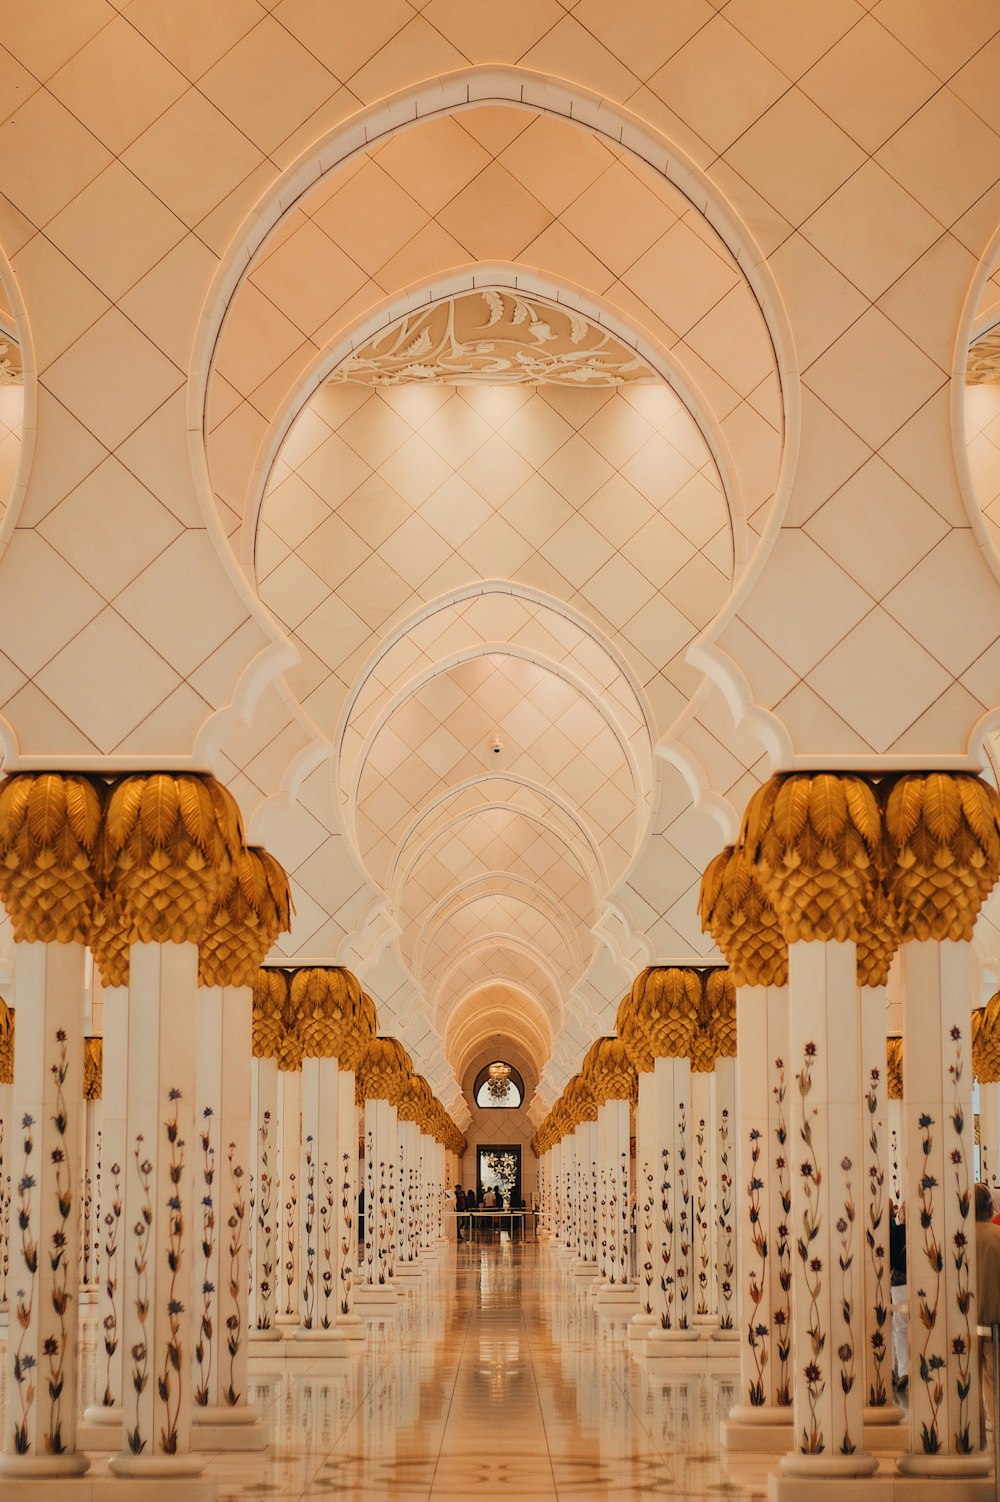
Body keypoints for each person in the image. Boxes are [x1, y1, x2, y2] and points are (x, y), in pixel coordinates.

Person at [975, 1183, 1000, 1445]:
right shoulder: (997, 1236)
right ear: (990, 1207)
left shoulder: (958, 1239)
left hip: (964, 1324)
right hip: (995, 1320)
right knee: (995, 1382)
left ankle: (975, 1436)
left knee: (967, 1381)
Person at [889, 1201, 908, 1393]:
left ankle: (904, 1371)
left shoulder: (897, 1233)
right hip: (922, 1283)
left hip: (900, 1283)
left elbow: (891, 1259)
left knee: (901, 1328)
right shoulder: (927, 1232)